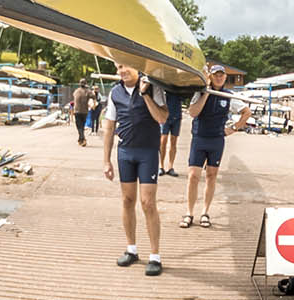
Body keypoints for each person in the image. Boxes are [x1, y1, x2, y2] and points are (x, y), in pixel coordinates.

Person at [101, 63, 169, 277]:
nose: (122, 71)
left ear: (137, 68)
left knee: (148, 203)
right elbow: (109, 127)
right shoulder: (115, 92)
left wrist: (145, 94)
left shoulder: (154, 88)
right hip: (125, 153)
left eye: (126, 66)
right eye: (119, 67)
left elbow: (162, 118)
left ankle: (155, 256)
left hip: (148, 152)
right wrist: (106, 160)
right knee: (127, 201)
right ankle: (131, 250)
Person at [180, 65, 251, 230]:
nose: (219, 78)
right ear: (210, 77)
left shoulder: (228, 96)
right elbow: (193, 112)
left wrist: (233, 129)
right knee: (193, 176)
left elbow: (247, 112)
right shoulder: (200, 92)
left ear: (225, 77)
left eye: (221, 75)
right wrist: (206, 93)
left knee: (211, 175)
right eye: (215, 75)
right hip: (199, 138)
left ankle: (205, 212)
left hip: (216, 140)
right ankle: (189, 213)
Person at [157, 84, 183, 177]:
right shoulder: (164, 85)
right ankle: (161, 166)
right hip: (165, 116)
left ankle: (170, 167)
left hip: (177, 115)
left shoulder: (180, 86)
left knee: (173, 141)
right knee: (163, 140)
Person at [72, 80, 94, 147]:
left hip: (77, 111)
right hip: (84, 111)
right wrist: (94, 104)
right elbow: (93, 96)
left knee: (79, 126)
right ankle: (81, 139)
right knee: (82, 126)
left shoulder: (76, 91)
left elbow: (74, 97)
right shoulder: (87, 91)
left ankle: (82, 139)